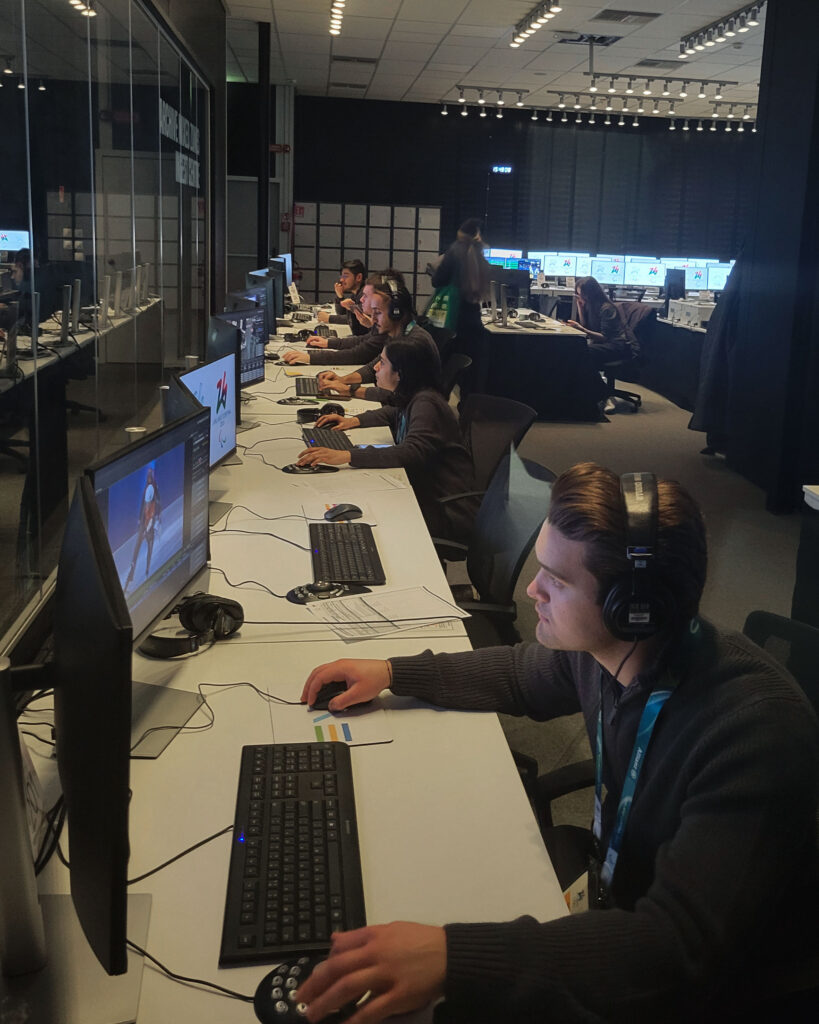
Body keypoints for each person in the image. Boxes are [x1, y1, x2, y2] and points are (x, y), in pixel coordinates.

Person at [296, 462, 819, 1024]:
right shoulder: (604, 654)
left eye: (557, 580)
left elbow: (677, 949)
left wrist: (455, 957)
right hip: (630, 900)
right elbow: (520, 673)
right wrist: (394, 672)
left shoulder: (754, 732)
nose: (531, 590)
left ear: (632, 608)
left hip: (727, 983)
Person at [296, 338, 476, 542]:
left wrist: (346, 455)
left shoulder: (427, 404)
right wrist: (352, 421)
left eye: (383, 363)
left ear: (400, 373)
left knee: (361, 517)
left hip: (441, 507)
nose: (376, 368)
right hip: (422, 488)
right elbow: (393, 412)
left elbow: (411, 452)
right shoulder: (415, 395)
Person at [314, 281, 438, 403]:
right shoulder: (399, 334)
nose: (372, 319)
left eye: (378, 313)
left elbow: (396, 397)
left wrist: (351, 390)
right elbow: (372, 369)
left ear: (395, 313)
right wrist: (342, 380)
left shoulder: (411, 345)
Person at [281, 271, 406, 368]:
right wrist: (328, 343)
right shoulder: (386, 323)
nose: (361, 300)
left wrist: (309, 357)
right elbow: (363, 341)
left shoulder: (391, 328)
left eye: (366, 296)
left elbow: (358, 354)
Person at [430, 218, 491, 397]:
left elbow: (437, 281)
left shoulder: (454, 251)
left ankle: (436, 407)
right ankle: (468, 412)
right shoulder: (480, 254)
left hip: (451, 320)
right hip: (473, 321)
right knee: (472, 373)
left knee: (445, 368)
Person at [567, 275, 639, 370]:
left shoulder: (606, 308)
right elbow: (585, 326)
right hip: (604, 343)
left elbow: (605, 337)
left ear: (590, 294)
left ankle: (592, 382)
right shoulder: (591, 306)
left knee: (581, 351)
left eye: (581, 295)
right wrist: (580, 307)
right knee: (573, 348)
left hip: (616, 346)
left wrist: (581, 329)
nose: (580, 297)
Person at [124, 465, 161, 590]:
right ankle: (133, 575)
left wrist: (149, 526)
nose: (149, 478)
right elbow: (145, 507)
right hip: (145, 525)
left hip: (148, 525)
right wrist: (142, 522)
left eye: (150, 476)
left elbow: (152, 510)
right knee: (138, 549)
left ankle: (146, 572)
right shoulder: (149, 490)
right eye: (148, 476)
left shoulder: (153, 491)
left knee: (147, 548)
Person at [317, 258, 369, 334]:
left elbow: (358, 318)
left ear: (359, 277)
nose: (341, 280)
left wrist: (329, 318)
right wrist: (340, 296)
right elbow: (342, 313)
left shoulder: (365, 294)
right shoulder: (356, 293)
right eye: (341, 276)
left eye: (345, 276)